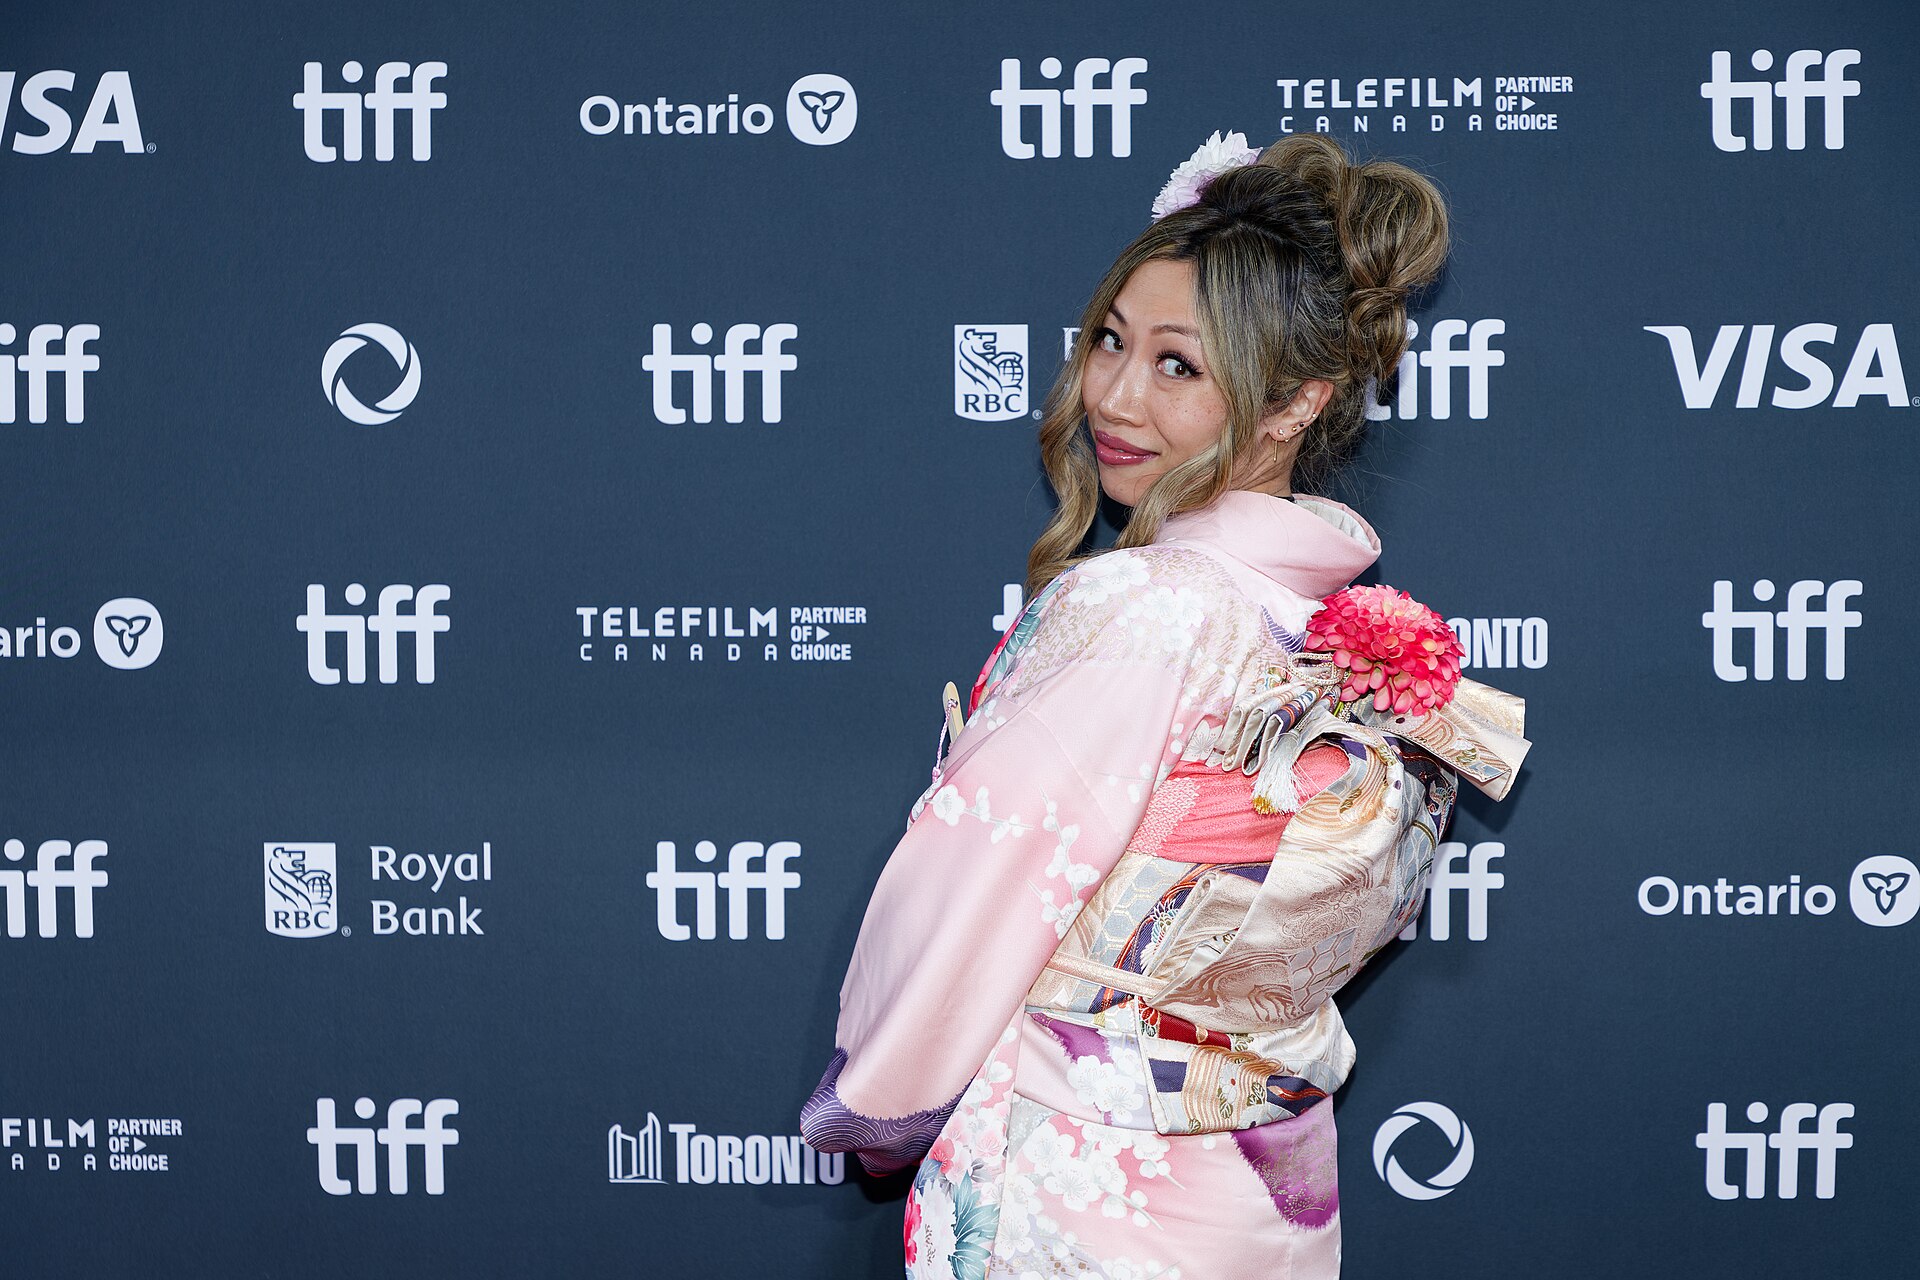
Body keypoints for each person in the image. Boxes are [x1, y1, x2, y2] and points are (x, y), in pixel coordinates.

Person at [802, 131, 1530, 1280]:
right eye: (1109, 340)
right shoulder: (1339, 633)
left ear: (1296, 400)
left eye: (1177, 365)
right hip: (1256, 1189)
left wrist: (875, 1102)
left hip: (1081, 1178)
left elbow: (978, 881)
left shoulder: (1145, 605)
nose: (1115, 394)